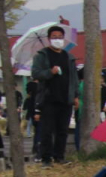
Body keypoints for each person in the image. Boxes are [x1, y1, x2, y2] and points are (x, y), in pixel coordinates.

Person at [32, 25, 78, 166]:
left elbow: (74, 78)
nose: (57, 39)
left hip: (65, 98)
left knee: (62, 130)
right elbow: (36, 74)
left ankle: (60, 156)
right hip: (49, 98)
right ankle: (46, 158)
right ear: (48, 39)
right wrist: (49, 72)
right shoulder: (42, 55)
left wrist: (75, 96)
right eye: (54, 37)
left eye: (59, 37)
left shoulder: (68, 57)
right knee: (47, 130)